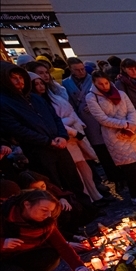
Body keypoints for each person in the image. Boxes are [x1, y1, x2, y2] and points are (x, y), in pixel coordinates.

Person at [0, 64, 87, 199]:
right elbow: (18, 129)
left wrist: (62, 136)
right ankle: (68, 215)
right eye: (14, 78)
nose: (19, 81)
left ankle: (85, 208)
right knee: (54, 185)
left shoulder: (35, 98)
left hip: (59, 145)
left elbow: (55, 118)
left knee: (73, 179)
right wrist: (47, 142)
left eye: (21, 77)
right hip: (39, 150)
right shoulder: (4, 103)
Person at [1, 189, 91, 271]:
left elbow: (61, 245)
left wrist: (78, 266)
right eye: (44, 210)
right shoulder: (4, 216)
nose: (48, 215)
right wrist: (3, 243)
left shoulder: (45, 222)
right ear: (27, 204)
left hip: (17, 256)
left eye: (50, 211)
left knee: (50, 254)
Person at [85, 71, 136, 205]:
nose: (104, 86)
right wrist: (123, 124)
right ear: (94, 84)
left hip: (133, 131)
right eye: (100, 84)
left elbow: (131, 110)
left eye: (106, 83)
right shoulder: (92, 98)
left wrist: (131, 124)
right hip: (114, 134)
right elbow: (101, 118)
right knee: (130, 166)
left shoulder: (121, 94)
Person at [31, 73, 103, 201]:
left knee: (85, 167)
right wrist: (69, 125)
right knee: (74, 173)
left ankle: (95, 194)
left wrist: (78, 124)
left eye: (41, 83)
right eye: (36, 84)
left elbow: (70, 112)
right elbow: (52, 122)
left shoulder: (54, 97)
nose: (41, 86)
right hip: (63, 139)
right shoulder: (35, 103)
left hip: (75, 137)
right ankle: (87, 199)